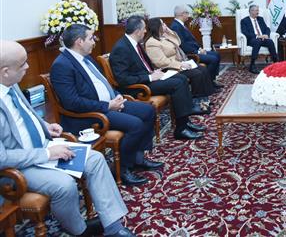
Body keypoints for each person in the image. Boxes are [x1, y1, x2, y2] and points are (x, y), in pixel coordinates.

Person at [0, 40, 135, 237]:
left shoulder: (10, 84)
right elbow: (2, 158)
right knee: (64, 185)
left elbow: (25, 113)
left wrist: (45, 126)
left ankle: (113, 227)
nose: (28, 67)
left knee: (95, 159)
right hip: (21, 166)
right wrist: (46, 153)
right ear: (5, 71)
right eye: (22, 64)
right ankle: (79, 230)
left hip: (45, 146)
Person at [50, 24, 163, 186]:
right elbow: (72, 102)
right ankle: (122, 169)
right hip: (90, 114)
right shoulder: (62, 65)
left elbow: (102, 83)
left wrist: (116, 97)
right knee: (135, 124)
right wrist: (107, 106)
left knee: (148, 110)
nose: (94, 41)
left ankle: (138, 158)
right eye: (91, 38)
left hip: (108, 104)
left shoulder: (86, 58)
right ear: (79, 42)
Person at [110, 15, 206, 140]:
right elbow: (122, 79)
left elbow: (143, 64)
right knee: (178, 83)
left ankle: (185, 122)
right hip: (138, 87)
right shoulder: (121, 48)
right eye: (144, 29)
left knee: (181, 79)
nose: (146, 31)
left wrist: (155, 72)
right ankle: (181, 129)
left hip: (149, 77)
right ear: (137, 31)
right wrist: (150, 77)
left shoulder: (134, 43)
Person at [145, 17, 215, 111]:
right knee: (197, 73)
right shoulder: (151, 42)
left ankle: (203, 99)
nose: (165, 25)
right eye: (162, 24)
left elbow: (178, 42)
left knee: (202, 69)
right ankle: (196, 102)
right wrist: (180, 65)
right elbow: (160, 61)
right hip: (169, 69)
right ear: (157, 27)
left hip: (178, 64)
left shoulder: (163, 37)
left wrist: (169, 31)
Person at [170, 5, 222, 87]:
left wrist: (199, 48)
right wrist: (197, 51)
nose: (188, 15)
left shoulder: (180, 24)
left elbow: (190, 41)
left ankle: (212, 80)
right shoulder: (175, 26)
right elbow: (182, 45)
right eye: (187, 13)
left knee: (216, 54)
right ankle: (208, 83)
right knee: (213, 59)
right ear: (181, 14)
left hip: (195, 51)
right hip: (190, 54)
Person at [240, 4, 278, 74]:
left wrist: (266, 35)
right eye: (256, 10)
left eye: (258, 10)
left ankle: (276, 62)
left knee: (270, 41)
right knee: (257, 42)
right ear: (251, 11)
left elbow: (267, 28)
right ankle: (252, 65)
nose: (258, 12)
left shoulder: (260, 18)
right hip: (252, 39)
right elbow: (245, 32)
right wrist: (257, 36)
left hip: (262, 38)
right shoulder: (244, 20)